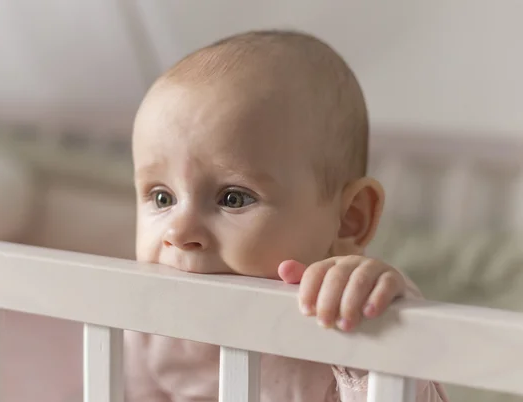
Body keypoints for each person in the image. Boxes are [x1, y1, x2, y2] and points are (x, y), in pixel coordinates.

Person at [126, 29, 449, 401]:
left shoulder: (360, 310)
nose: (179, 233)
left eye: (232, 198)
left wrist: (372, 342)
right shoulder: (152, 324)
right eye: (162, 198)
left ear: (349, 219)